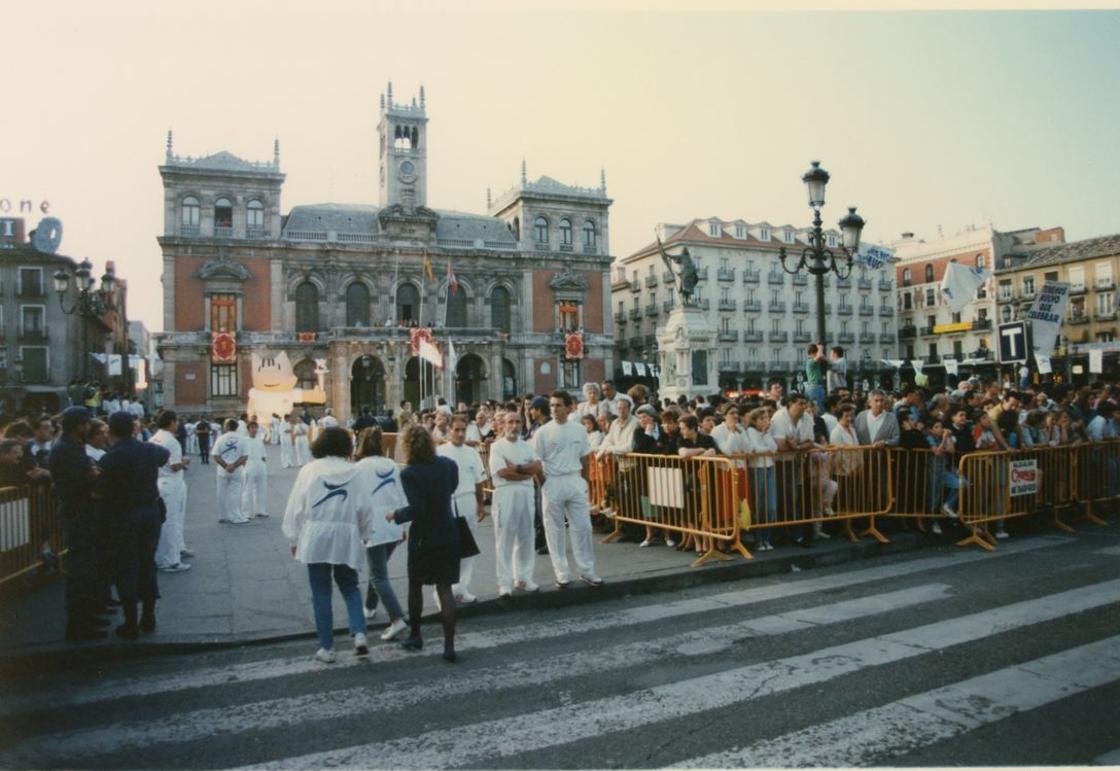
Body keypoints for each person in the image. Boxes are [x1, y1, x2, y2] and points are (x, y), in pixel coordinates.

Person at [282, 427, 373, 663]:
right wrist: (364, 534)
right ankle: (360, 633)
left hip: (316, 534)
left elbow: (296, 507)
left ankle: (327, 647)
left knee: (321, 592)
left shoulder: (309, 471)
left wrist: (293, 537)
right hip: (346, 534)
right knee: (350, 587)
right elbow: (365, 508)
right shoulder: (355, 472)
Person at [387, 426, 462, 663]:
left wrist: (395, 515)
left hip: (423, 537)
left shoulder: (410, 473)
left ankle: (416, 635)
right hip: (448, 532)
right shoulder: (449, 464)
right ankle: (449, 646)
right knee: (445, 589)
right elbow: (451, 489)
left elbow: (417, 509)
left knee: (415, 585)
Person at [95, 412, 170, 639]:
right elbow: (164, 455)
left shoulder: (109, 458)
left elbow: (101, 490)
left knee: (126, 566)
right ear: (133, 429)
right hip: (150, 512)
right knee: (147, 562)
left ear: (111, 431)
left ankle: (130, 621)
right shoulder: (149, 449)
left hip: (123, 516)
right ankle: (148, 616)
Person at [533, 391, 601, 589]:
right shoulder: (542, 432)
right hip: (552, 481)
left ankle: (587, 570)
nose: (554, 409)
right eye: (552, 405)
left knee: (583, 527)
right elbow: (537, 462)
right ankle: (562, 573)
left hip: (574, 480)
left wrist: (584, 481)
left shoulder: (579, 429)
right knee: (554, 530)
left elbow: (585, 457)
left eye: (559, 405)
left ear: (569, 407)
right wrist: (544, 483)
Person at [50, 407, 106, 641]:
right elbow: (84, 478)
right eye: (85, 423)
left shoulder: (72, 446)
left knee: (88, 569)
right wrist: (93, 474)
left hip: (83, 512)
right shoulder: (65, 449)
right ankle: (78, 625)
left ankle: (87, 616)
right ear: (79, 426)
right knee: (80, 572)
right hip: (76, 513)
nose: (88, 427)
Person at [353, 427, 410, 641]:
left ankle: (397, 618)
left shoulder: (359, 468)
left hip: (373, 524)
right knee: (378, 568)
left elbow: (356, 500)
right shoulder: (392, 465)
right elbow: (402, 496)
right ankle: (369, 607)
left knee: (378, 574)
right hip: (393, 521)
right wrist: (403, 525)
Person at [436, 415, 487, 605]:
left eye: (462, 430)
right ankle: (443, 591)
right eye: (456, 430)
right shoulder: (439, 452)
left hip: (467, 500)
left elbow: (478, 481)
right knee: (447, 548)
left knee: (467, 547)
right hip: (447, 502)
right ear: (449, 431)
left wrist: (480, 504)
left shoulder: (471, 452)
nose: (459, 434)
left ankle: (461, 588)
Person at [488, 412, 541, 598]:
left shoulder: (527, 446)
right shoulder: (497, 447)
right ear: (503, 425)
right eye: (510, 422)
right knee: (505, 539)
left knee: (526, 536)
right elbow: (503, 472)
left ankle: (524, 577)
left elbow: (537, 467)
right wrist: (525, 473)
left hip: (526, 492)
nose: (514, 425)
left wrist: (518, 470)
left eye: (518, 422)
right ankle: (504, 583)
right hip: (506, 493)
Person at [151, 410, 192, 572]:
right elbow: (175, 466)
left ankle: (177, 548)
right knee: (172, 520)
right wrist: (185, 461)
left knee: (170, 519)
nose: (178, 425)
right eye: (177, 421)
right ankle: (171, 559)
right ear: (171, 422)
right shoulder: (171, 441)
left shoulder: (154, 438)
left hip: (160, 480)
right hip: (171, 482)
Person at [211, 419, 250, 524]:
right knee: (235, 493)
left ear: (227, 427)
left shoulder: (220, 439)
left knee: (221, 493)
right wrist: (234, 465)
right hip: (236, 470)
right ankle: (235, 516)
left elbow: (215, 455)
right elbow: (245, 456)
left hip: (222, 471)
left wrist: (226, 466)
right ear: (237, 427)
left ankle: (223, 516)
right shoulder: (242, 439)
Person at [242, 420, 269, 518]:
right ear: (248, 429)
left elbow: (263, 452)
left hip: (260, 464)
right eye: (252, 428)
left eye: (255, 428)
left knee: (262, 487)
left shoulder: (259, 439)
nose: (254, 430)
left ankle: (261, 510)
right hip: (249, 463)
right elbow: (242, 454)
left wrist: (263, 463)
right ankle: (247, 512)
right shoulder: (244, 440)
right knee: (248, 489)